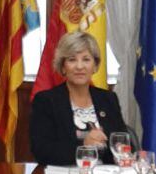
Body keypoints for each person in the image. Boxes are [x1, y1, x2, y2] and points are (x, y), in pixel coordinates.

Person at [29, 31, 130, 166]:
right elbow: (42, 151)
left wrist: (122, 154)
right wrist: (84, 145)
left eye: (86, 59)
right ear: (63, 67)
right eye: (72, 60)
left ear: (95, 66)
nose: (79, 66)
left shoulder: (108, 99)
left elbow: (122, 143)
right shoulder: (46, 101)